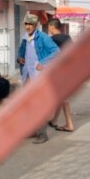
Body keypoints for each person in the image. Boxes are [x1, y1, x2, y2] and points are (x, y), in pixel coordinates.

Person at [16, 14, 59, 144]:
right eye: (26, 24)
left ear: (35, 25)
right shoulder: (25, 38)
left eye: (31, 24)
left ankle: (42, 134)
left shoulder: (43, 38)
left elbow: (56, 51)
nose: (28, 26)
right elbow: (21, 52)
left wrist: (44, 63)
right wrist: (19, 58)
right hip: (28, 75)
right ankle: (32, 130)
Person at [47, 18, 75, 133]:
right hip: (70, 70)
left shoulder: (52, 40)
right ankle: (54, 120)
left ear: (52, 28)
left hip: (59, 71)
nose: (49, 30)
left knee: (63, 98)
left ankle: (69, 124)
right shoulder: (67, 38)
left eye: (49, 28)